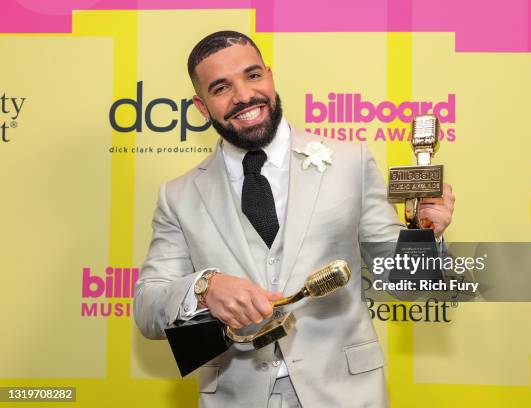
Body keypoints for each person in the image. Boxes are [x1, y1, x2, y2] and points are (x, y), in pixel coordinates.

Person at [134, 30, 455, 408]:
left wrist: (424, 234)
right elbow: (148, 307)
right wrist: (205, 287)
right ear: (202, 107)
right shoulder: (178, 195)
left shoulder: (350, 162)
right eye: (221, 88)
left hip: (346, 395)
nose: (243, 96)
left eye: (252, 76)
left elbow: (406, 286)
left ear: (269, 76)